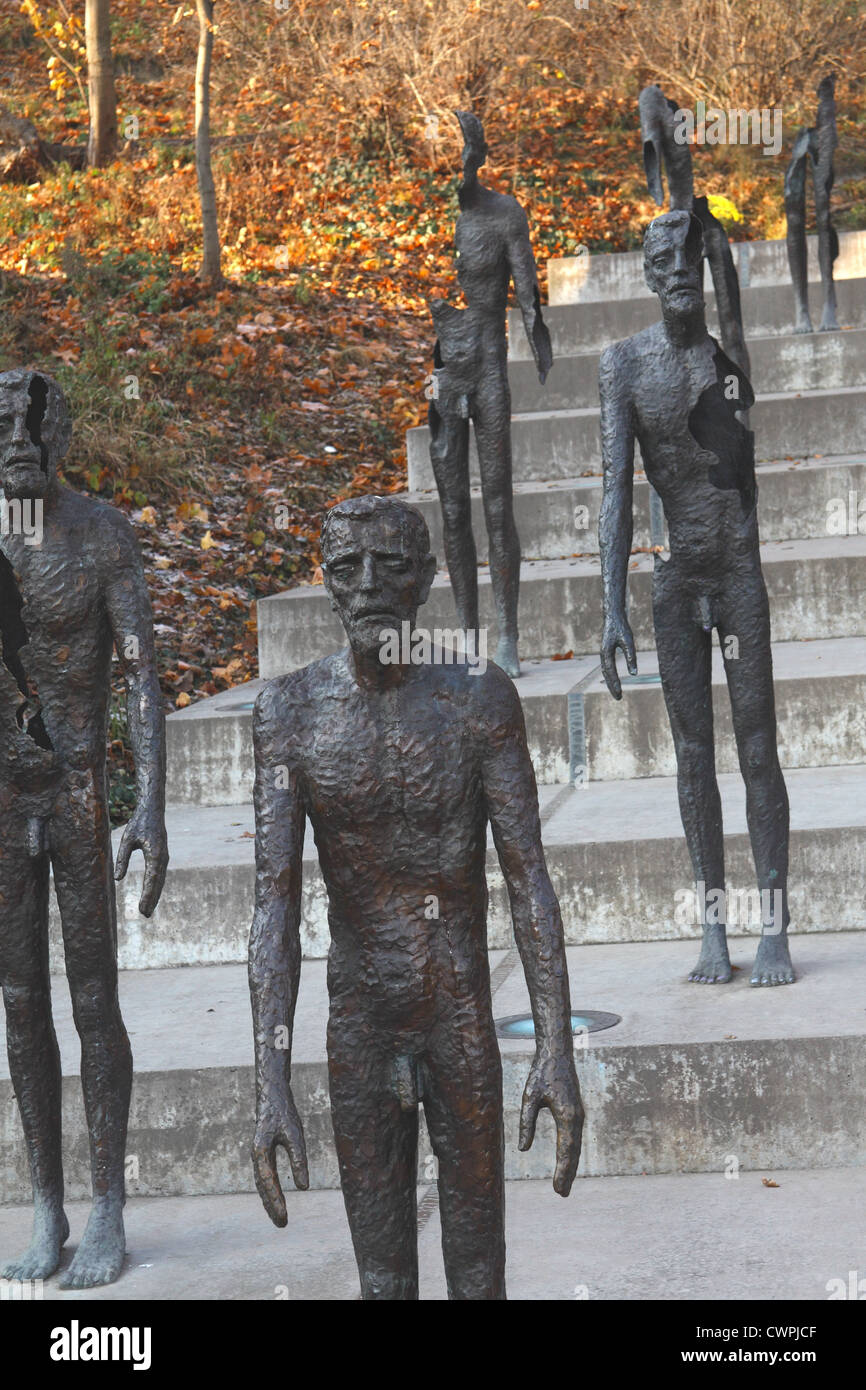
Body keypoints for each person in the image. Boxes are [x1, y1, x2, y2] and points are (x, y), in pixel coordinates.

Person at [249, 494, 582, 1299]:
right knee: (384, 1279)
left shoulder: (477, 699)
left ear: (427, 579)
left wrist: (555, 1049)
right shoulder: (287, 713)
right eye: (347, 568)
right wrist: (269, 1080)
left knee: (477, 1274)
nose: (367, 586)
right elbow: (273, 907)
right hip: (360, 1018)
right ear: (326, 582)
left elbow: (528, 876)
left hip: (456, 1012)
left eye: (390, 566)